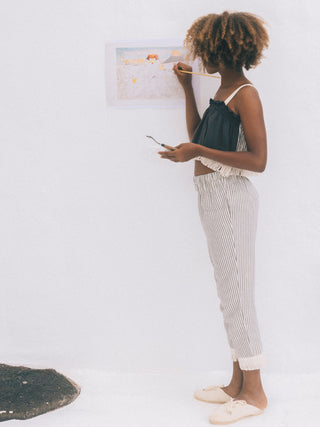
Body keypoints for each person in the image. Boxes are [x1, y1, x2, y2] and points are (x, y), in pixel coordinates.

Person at [158, 11, 269, 425]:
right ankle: (236, 384)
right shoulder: (221, 90)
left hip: (230, 199)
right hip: (212, 197)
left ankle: (255, 394)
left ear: (217, 49)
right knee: (230, 293)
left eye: (202, 49)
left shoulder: (245, 93)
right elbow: (198, 138)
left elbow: (258, 161)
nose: (198, 55)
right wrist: (187, 91)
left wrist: (198, 153)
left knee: (238, 294)